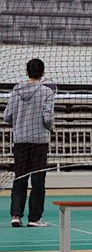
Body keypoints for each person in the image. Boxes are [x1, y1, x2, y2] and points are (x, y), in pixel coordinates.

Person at [3, 58, 55, 227]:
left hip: (20, 141)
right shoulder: (47, 92)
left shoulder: (16, 90)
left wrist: (19, 125)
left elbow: (7, 116)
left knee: (20, 178)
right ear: (43, 72)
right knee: (38, 180)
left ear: (26, 72)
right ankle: (35, 218)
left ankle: (16, 215)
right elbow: (48, 118)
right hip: (39, 142)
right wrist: (51, 128)